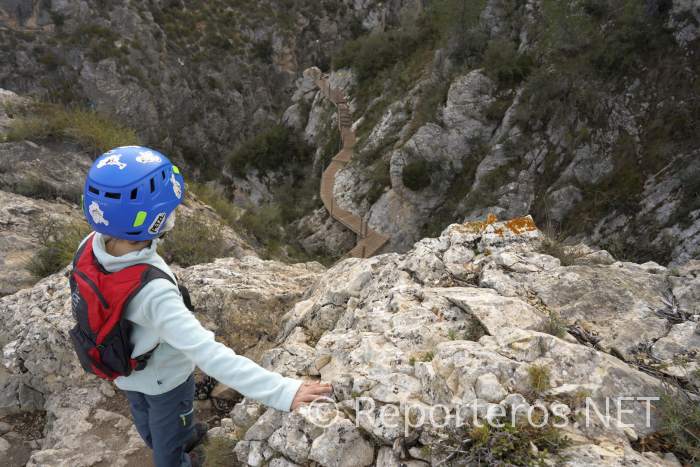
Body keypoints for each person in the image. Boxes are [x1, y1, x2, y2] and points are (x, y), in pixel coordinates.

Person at [71, 146, 331, 467]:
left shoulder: (90, 246)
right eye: (170, 210)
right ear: (151, 220)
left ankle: (187, 438)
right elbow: (210, 355)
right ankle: (185, 450)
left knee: (154, 434)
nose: (174, 214)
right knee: (165, 451)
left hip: (123, 372)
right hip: (165, 382)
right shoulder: (154, 293)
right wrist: (284, 391)